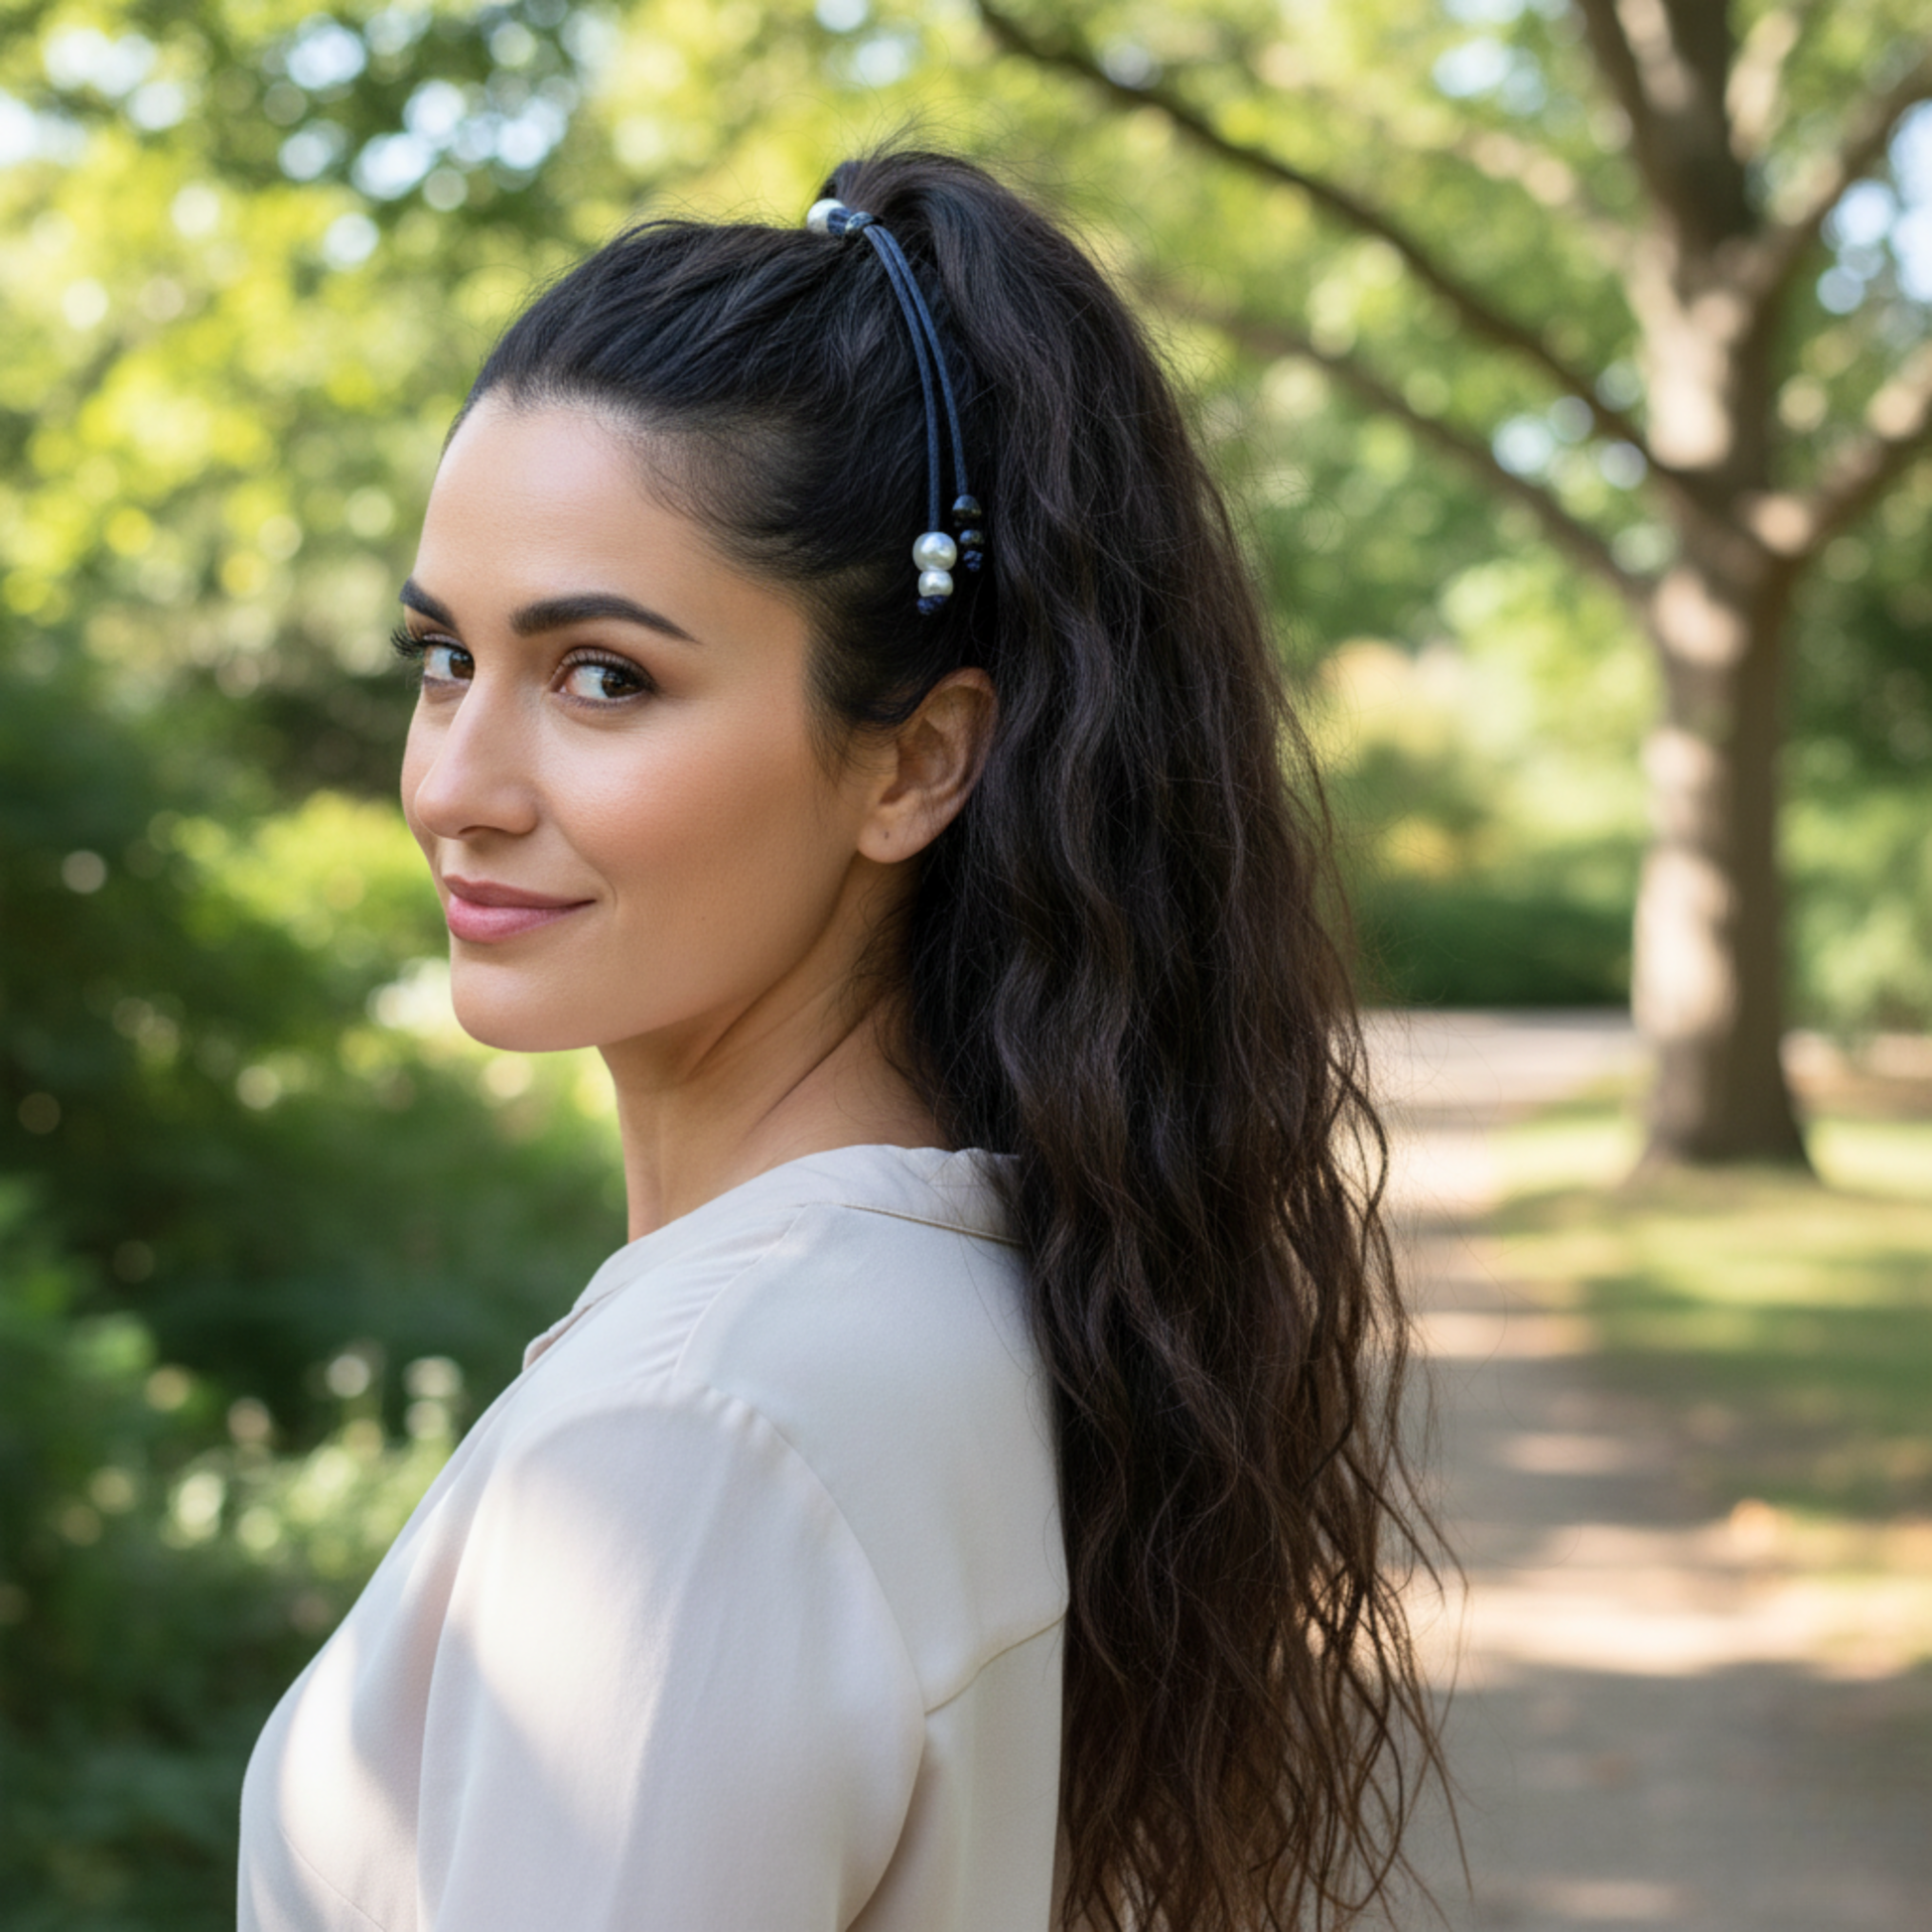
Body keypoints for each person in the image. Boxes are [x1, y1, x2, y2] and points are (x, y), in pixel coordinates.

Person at [238, 148, 1447, 1932]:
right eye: (443, 658)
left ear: (914, 762)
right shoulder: (975, 1298)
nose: (455, 787)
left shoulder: (695, 1435)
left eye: (600, 676)